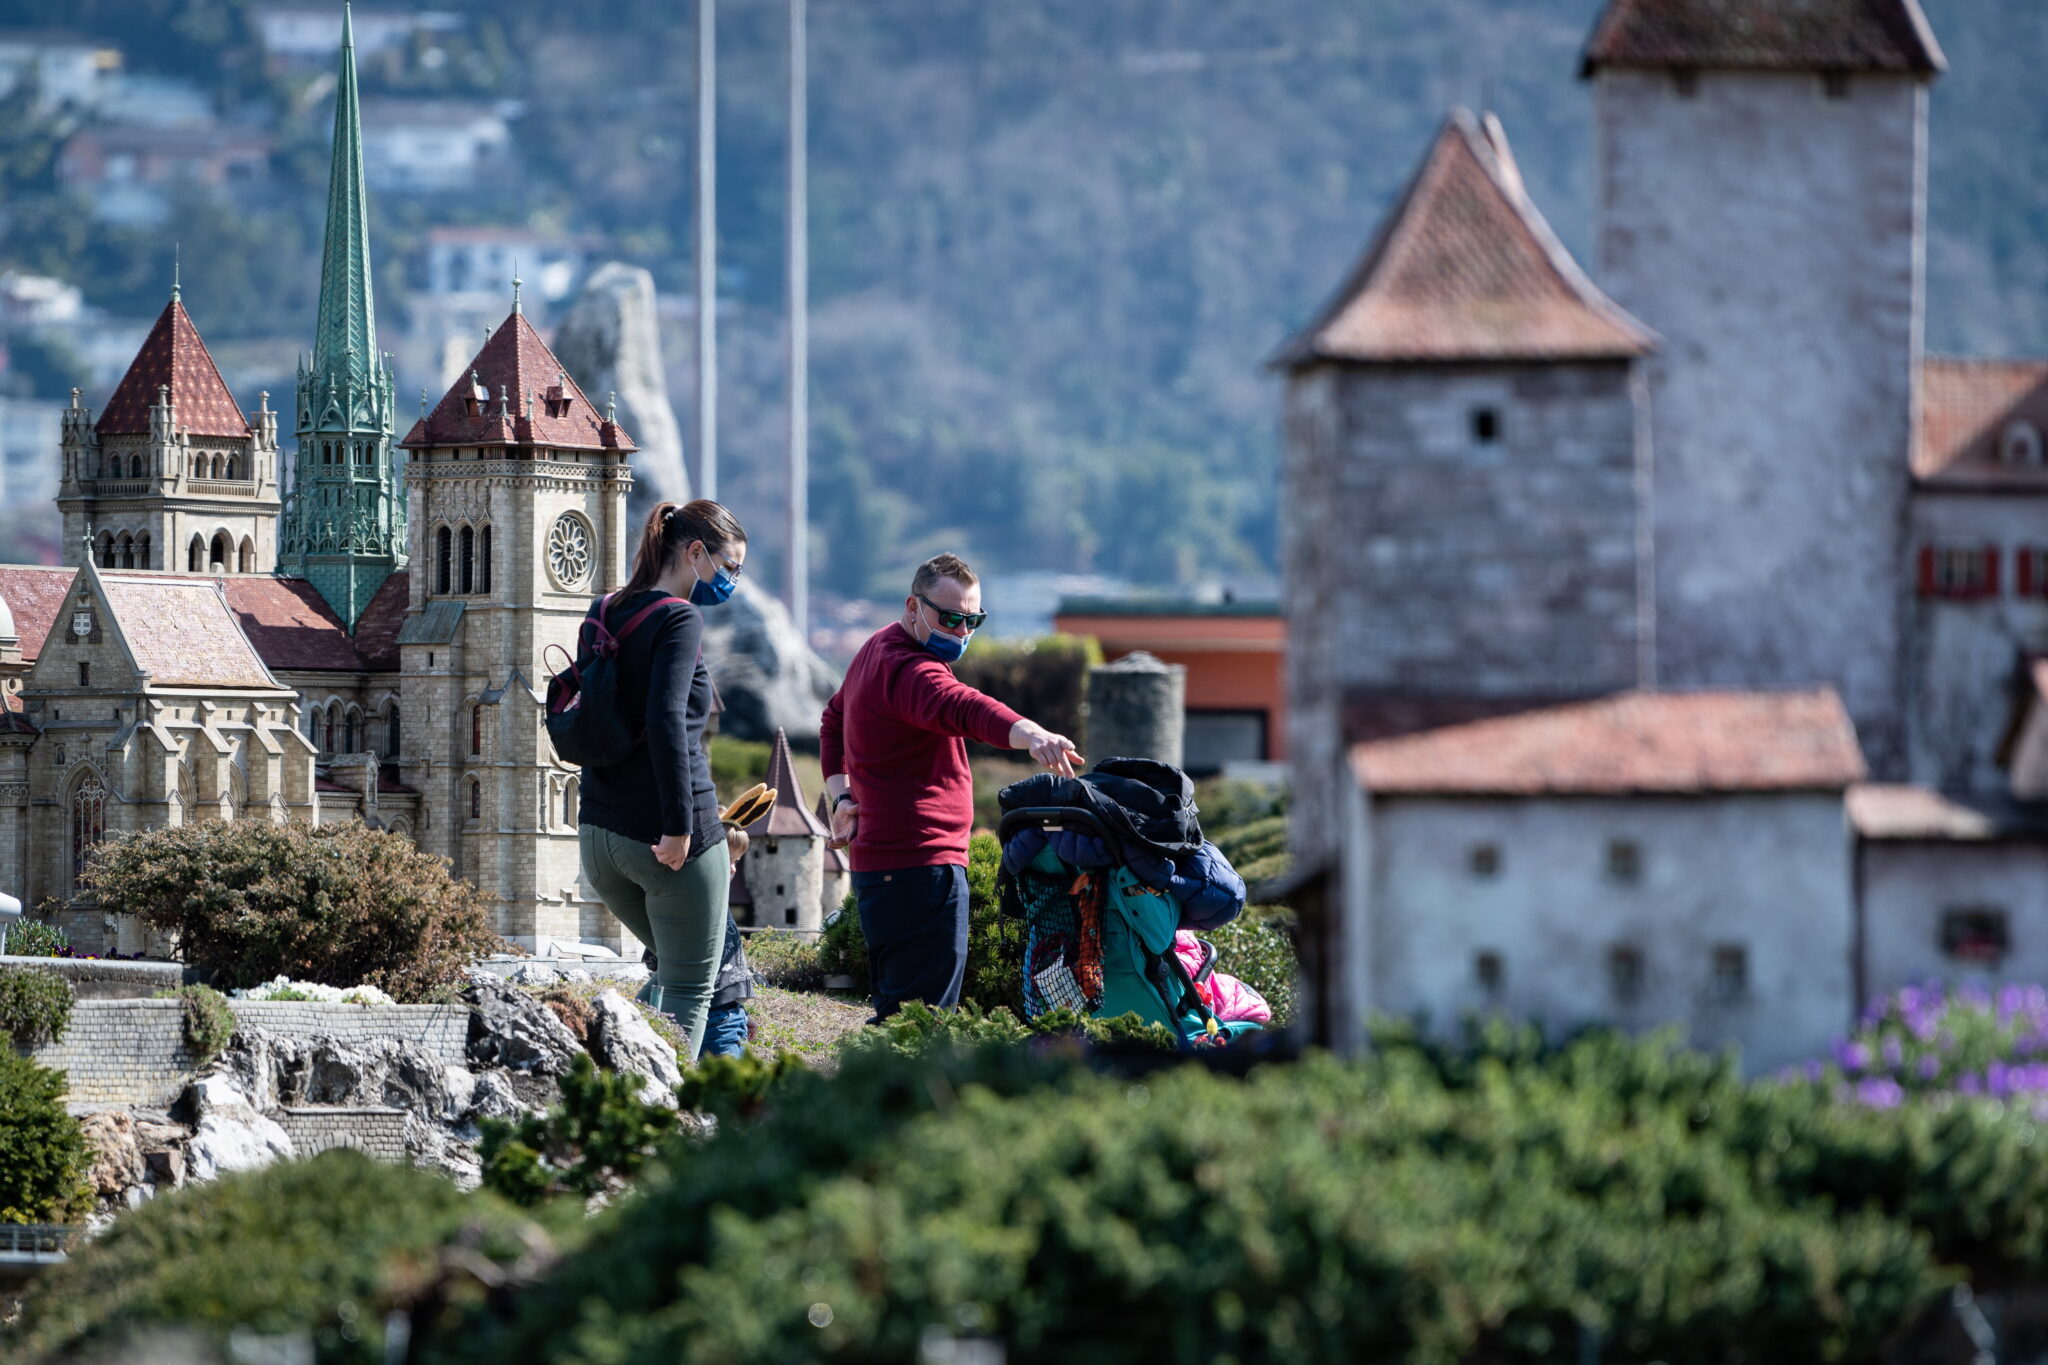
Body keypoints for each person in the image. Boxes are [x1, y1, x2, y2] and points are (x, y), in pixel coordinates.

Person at [820, 552, 1081, 1020]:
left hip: (882, 870)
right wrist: (1032, 734)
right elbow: (967, 707)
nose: (962, 632)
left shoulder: (875, 649)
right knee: (921, 1029)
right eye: (950, 618)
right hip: (923, 871)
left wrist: (841, 796)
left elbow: (832, 720)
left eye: (972, 620)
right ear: (913, 607)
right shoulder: (913, 672)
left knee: (898, 1018)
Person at [577, 499, 746, 1061]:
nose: (734, 580)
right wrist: (680, 828)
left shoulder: (602, 610)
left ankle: (614, 1080)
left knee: (671, 977)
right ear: (695, 553)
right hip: (671, 840)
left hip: (599, 839)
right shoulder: (680, 618)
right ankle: (656, 1120)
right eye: (730, 566)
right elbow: (667, 720)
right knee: (695, 987)